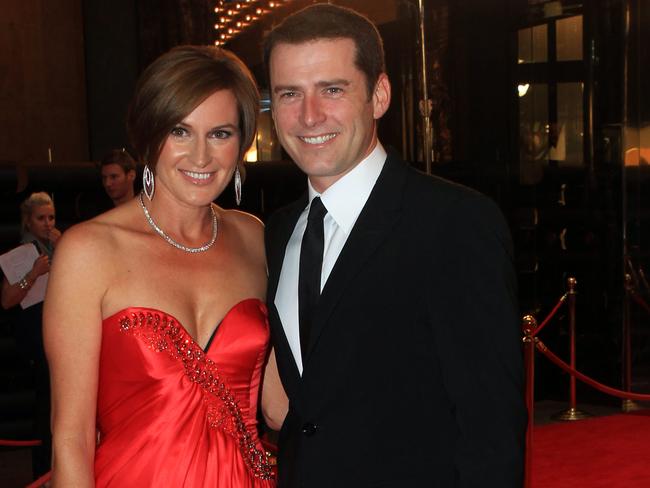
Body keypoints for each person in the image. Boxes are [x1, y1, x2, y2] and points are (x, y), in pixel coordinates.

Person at [262, 4, 526, 487]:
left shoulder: (454, 222)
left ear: (379, 95)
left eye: (333, 89)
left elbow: (490, 424)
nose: (309, 115)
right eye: (289, 94)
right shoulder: (278, 231)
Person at [44, 45, 286, 487]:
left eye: (220, 133)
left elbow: (276, 403)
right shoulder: (89, 252)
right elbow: (71, 437)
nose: (200, 157)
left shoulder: (255, 238)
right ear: (149, 136)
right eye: (180, 131)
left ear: (243, 140)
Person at [1, 191, 60, 479]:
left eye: (51, 217)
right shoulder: (21, 254)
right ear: (28, 222)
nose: (48, 223)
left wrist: (64, 248)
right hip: (36, 338)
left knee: (58, 406)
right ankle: (42, 473)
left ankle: (55, 469)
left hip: (58, 333)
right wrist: (33, 273)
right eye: (41, 218)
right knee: (45, 408)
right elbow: (7, 299)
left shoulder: (54, 246)